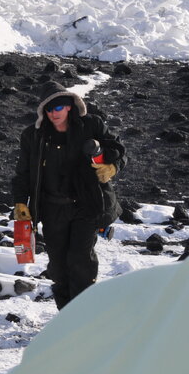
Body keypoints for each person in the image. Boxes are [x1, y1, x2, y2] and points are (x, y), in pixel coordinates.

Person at [12, 81, 126, 309]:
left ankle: (81, 317)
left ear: (70, 107)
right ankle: (65, 317)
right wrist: (19, 203)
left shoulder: (91, 125)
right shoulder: (33, 136)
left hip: (87, 205)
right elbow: (23, 173)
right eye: (49, 109)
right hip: (52, 209)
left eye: (59, 108)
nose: (54, 114)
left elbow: (119, 151)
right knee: (59, 266)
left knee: (80, 260)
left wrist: (112, 167)